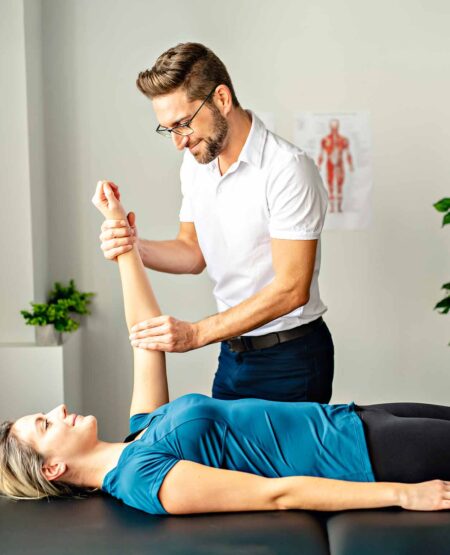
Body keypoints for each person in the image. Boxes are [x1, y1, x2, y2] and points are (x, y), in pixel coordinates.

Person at [1, 181, 450, 515]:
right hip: (359, 457)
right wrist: (402, 494)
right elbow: (276, 495)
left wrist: (121, 236)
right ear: (52, 469)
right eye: (45, 423)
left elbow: (145, 336)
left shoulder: (139, 434)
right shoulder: (142, 478)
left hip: (353, 418)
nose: (58, 409)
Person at [99, 42, 334, 403]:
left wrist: (195, 334)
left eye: (183, 124)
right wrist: (132, 246)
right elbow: (192, 252)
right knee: (221, 463)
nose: (179, 143)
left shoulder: (287, 169)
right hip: (232, 355)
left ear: (221, 99)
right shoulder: (196, 165)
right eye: (168, 130)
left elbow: (292, 289)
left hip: (291, 358)